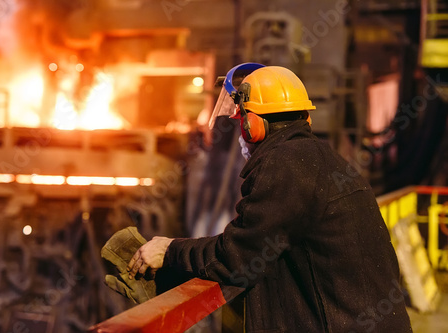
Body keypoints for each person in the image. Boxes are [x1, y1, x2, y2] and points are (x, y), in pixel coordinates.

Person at [127, 63, 412, 332]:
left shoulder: (284, 165)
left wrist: (170, 252)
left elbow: (237, 256)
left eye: (241, 121)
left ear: (254, 125)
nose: (240, 132)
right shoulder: (319, 158)